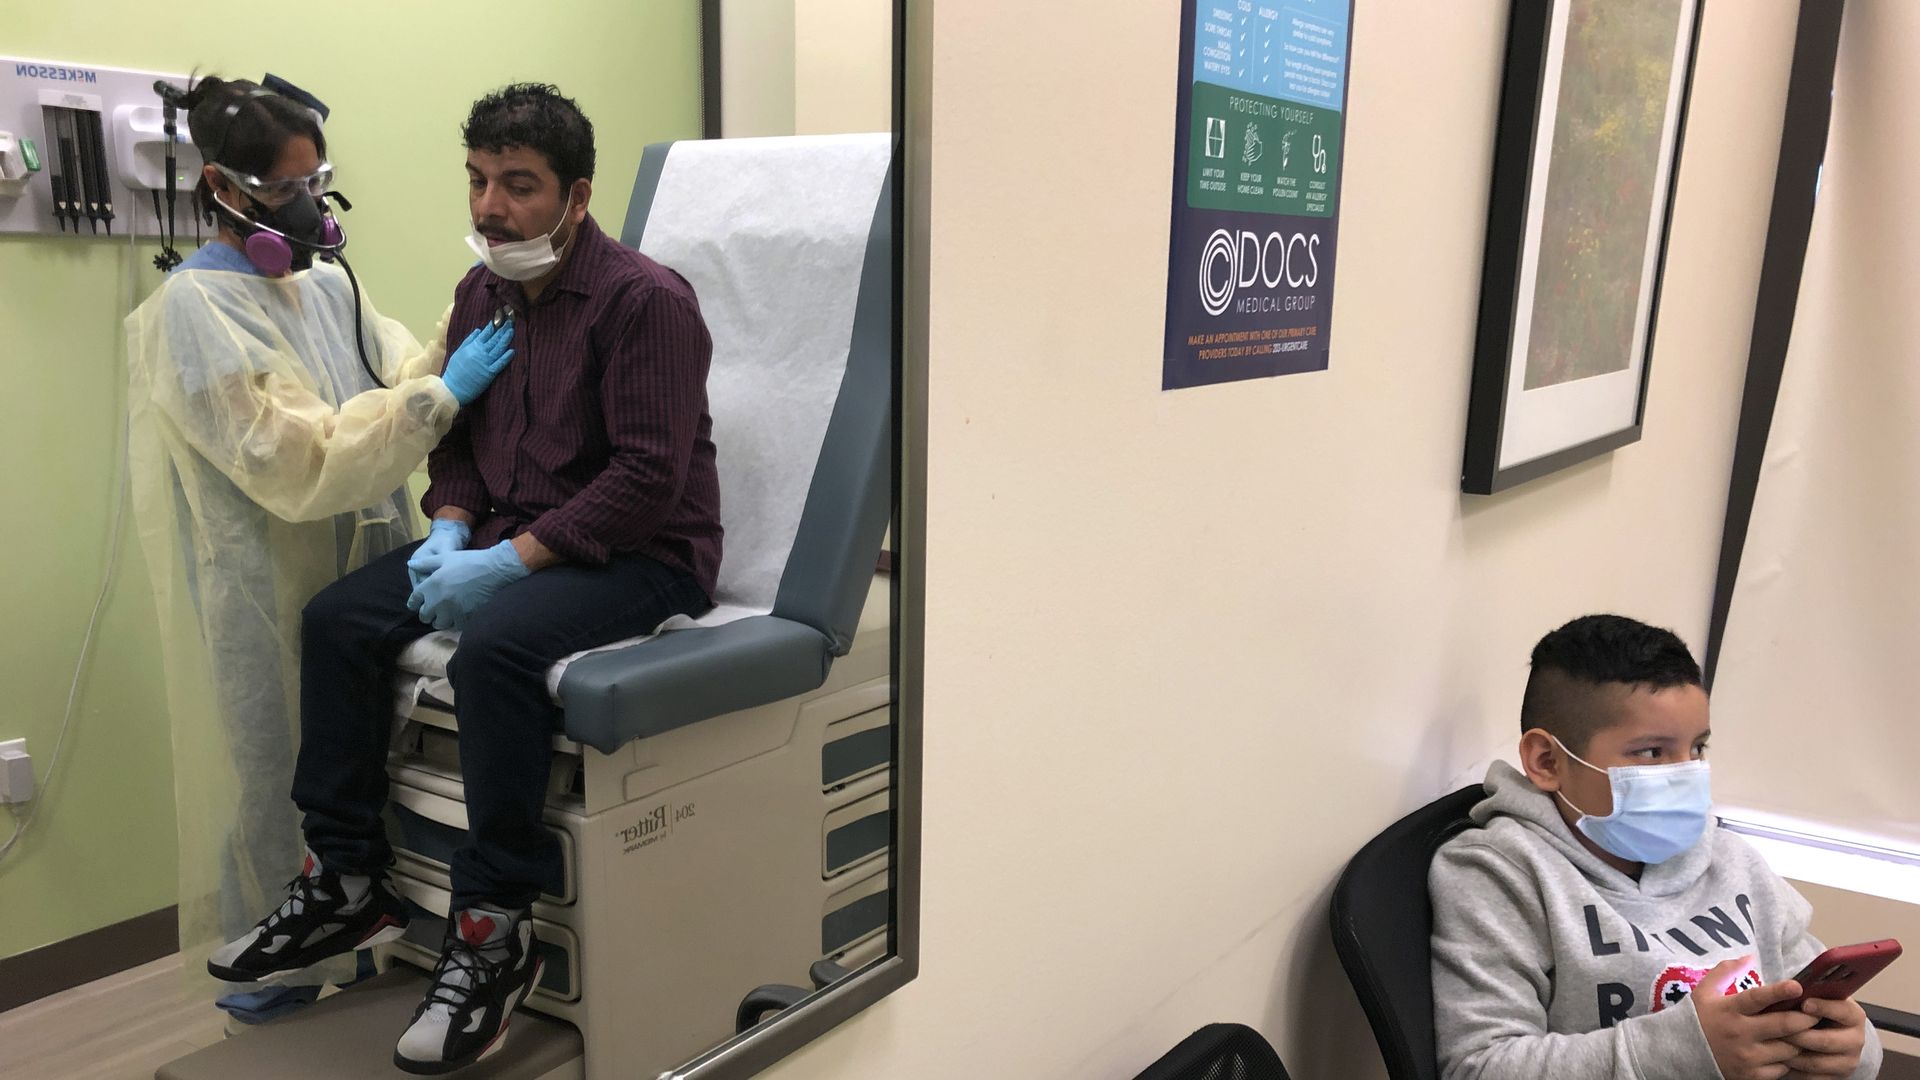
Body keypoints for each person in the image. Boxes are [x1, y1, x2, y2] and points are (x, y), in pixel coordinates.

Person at [207, 83, 722, 1074]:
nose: (491, 207)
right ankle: (348, 878)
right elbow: (461, 449)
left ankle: (493, 928)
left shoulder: (644, 302)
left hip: (647, 554)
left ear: (576, 196)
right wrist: (449, 529)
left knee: (495, 649)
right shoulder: (484, 292)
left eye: (519, 186)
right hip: (505, 529)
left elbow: (647, 480)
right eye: (480, 181)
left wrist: (506, 565)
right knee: (338, 620)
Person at [125, 75, 517, 1027]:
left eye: (317, 180)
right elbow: (295, 459)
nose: (308, 204)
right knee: (281, 779)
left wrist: (461, 335)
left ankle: (368, 948)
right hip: (261, 586)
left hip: (365, 563)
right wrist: (440, 398)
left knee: (372, 764)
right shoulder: (192, 309)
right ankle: (272, 982)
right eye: (285, 188)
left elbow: (396, 377)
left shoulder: (328, 282)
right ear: (223, 187)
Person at [1430, 615, 1883, 1080]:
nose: (1686, 773)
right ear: (1548, 762)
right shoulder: (1498, 874)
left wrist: (1849, 1046)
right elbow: (1479, 1067)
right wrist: (1688, 1051)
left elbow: (1823, 1003)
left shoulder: (1732, 859)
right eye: (1651, 753)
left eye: (1698, 749)